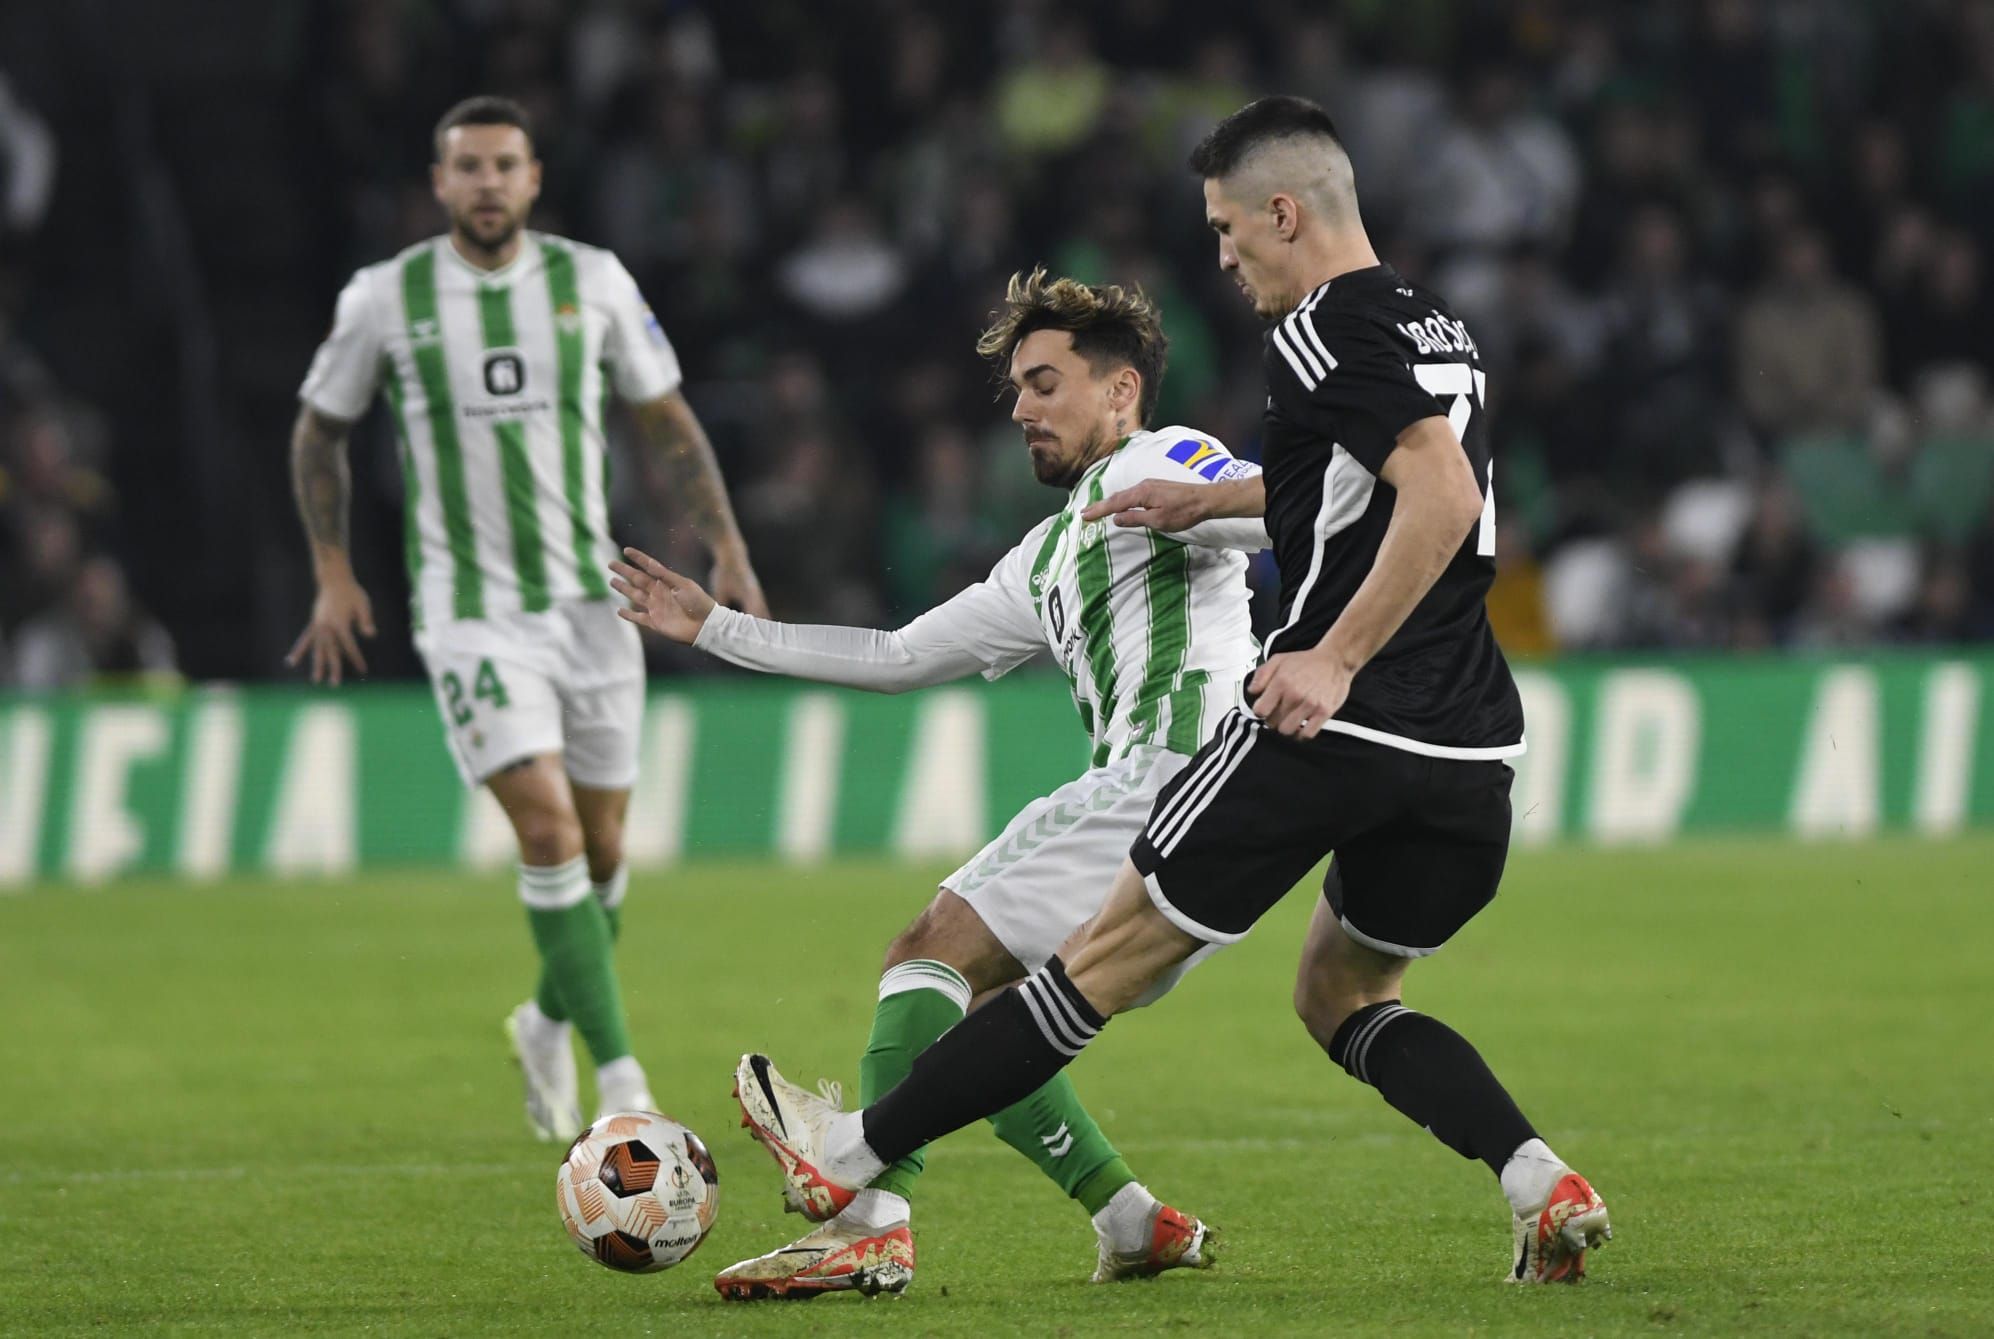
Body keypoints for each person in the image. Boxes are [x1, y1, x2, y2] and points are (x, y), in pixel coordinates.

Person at [723, 97, 1613, 1286]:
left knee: (1087, 967)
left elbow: (1437, 496)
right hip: (1467, 744)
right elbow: (1366, 486)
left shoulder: (1311, 331)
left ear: (1282, 213)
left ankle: (852, 1159)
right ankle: (1536, 1178)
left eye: (1226, 228)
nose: (1222, 256)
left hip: (1332, 721)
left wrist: (1333, 655)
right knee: (1342, 993)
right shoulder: (1435, 324)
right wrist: (1222, 506)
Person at [612, 268, 1263, 1298]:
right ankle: (1128, 1218)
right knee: (990, 1026)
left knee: (929, 947)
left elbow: (1284, 507)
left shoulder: (1163, 458)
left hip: (1175, 769)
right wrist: (714, 627)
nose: (1019, 410)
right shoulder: (1047, 554)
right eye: (1014, 390)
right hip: (1202, 813)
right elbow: (894, 654)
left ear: (1121, 390)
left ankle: (866, 1217)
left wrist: (1216, 503)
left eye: (1044, 383)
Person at [286, 95, 766, 1143]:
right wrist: (332, 568)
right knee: (545, 828)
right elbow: (319, 432)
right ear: (439, 182)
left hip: (590, 608)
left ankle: (545, 1020)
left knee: (601, 857)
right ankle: (622, 1076)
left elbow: (667, 418)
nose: (488, 183)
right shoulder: (385, 297)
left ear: (534, 178)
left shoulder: (589, 280)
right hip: (469, 616)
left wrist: (723, 544)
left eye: (505, 165)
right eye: (468, 167)